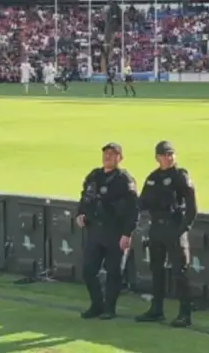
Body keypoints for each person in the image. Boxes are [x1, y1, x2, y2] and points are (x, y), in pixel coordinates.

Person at [135, 141, 198, 328]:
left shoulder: (180, 176)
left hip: (174, 228)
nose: (168, 157)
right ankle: (156, 310)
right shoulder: (153, 178)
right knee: (156, 269)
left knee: (180, 272)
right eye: (164, 154)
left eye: (171, 154)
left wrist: (183, 228)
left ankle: (185, 314)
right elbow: (142, 202)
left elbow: (192, 207)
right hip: (156, 228)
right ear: (157, 157)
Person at [76, 142, 139, 320]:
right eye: (106, 153)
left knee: (114, 272)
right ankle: (97, 304)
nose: (108, 156)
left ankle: (109, 308)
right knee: (88, 270)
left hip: (115, 231)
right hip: (95, 230)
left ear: (120, 158)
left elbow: (133, 209)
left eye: (112, 154)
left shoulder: (124, 180)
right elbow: (85, 197)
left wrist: (127, 233)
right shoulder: (94, 176)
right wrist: (80, 213)